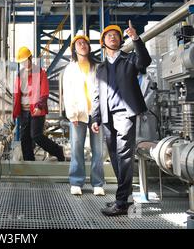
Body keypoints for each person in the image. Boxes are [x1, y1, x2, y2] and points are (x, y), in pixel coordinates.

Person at [91, 21, 152, 216]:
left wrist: (135, 38)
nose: (113, 37)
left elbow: (145, 61)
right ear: (103, 41)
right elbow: (96, 95)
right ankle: (124, 199)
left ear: (120, 39)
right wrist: (95, 118)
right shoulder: (100, 68)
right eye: (109, 35)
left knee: (124, 154)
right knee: (116, 157)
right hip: (108, 117)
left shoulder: (130, 59)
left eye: (116, 35)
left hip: (125, 113)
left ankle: (121, 201)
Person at [63, 35, 105, 196]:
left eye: (85, 43)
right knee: (76, 149)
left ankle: (98, 183)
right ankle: (76, 181)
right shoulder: (70, 69)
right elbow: (67, 93)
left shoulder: (97, 66)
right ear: (74, 48)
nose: (82, 46)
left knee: (98, 149)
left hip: (96, 114)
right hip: (78, 114)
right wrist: (72, 114)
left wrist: (101, 114)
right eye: (79, 44)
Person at [13, 46, 65, 161]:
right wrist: (15, 111)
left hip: (37, 110)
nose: (24, 63)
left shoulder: (40, 72)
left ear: (30, 58)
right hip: (23, 111)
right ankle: (29, 162)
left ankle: (57, 150)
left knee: (36, 136)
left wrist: (39, 106)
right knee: (24, 138)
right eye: (22, 62)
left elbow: (44, 92)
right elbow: (17, 94)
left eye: (25, 60)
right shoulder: (19, 75)